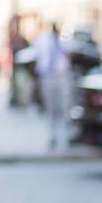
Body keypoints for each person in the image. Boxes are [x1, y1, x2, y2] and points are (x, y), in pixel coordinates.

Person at [32, 20, 71, 149]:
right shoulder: (42, 39)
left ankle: (65, 135)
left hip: (61, 76)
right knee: (50, 108)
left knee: (64, 107)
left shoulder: (64, 39)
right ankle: (52, 136)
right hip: (48, 76)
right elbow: (36, 55)